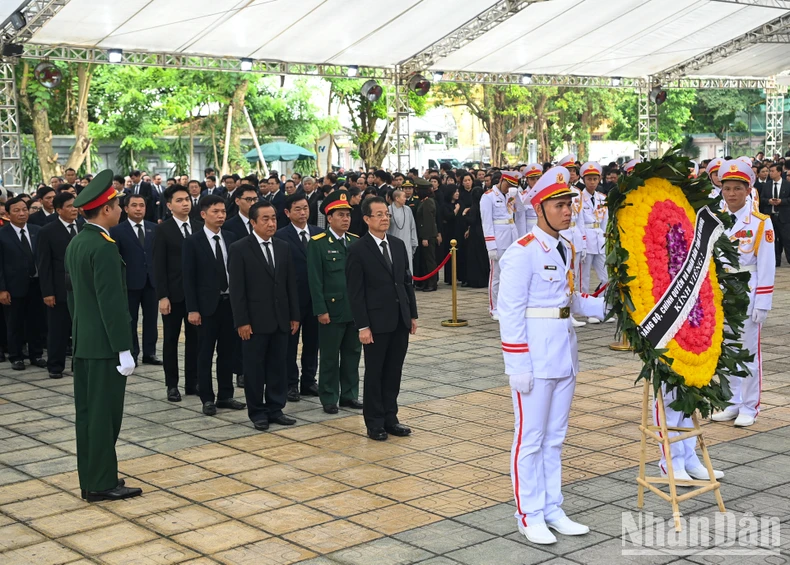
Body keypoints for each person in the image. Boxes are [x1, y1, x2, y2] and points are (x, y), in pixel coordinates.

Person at [498, 166, 606, 545]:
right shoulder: (521, 253)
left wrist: (605, 306)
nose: (568, 211)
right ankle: (528, 513)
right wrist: (517, 365)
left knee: (555, 438)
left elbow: (569, 300)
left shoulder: (566, 247)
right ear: (540, 208)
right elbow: (509, 313)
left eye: (569, 205)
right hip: (534, 357)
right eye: (560, 205)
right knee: (530, 437)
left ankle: (552, 507)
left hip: (564, 352)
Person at [64, 170, 142, 502]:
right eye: (118, 205)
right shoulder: (104, 247)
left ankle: (96, 475)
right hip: (105, 348)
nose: (121, 210)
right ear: (106, 209)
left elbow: (74, 298)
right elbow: (112, 304)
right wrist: (123, 348)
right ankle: (100, 483)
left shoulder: (78, 242)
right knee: (104, 417)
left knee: (89, 415)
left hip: (86, 342)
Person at [346, 196, 418, 441]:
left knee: (393, 372)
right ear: (366, 219)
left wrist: (412, 314)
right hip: (375, 324)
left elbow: (406, 282)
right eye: (378, 214)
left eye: (386, 214)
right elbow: (355, 293)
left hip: (399, 319)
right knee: (375, 373)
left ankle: (391, 417)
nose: (384, 218)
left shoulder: (397, 245)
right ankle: (374, 422)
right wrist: (363, 325)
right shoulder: (357, 249)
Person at [711, 160, 775, 428]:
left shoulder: (760, 222)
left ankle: (750, 406)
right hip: (720, 293)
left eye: (738, 188)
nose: (732, 193)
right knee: (726, 351)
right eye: (727, 188)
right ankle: (732, 401)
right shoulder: (716, 219)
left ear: (748, 189)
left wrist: (763, 301)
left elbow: (766, 264)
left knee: (748, 353)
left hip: (747, 293)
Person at [229, 201, 299, 431]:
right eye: (265, 219)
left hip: (281, 319)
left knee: (278, 366)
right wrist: (242, 321)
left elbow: (290, 284)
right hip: (254, 322)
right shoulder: (239, 248)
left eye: (274, 219)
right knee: (255, 368)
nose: (271, 223)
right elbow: (237, 290)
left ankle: (275, 408)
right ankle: (257, 411)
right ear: (253, 222)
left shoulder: (283, 246)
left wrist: (294, 316)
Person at [182, 195, 246, 416]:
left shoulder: (231, 237)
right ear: (203, 214)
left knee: (228, 352)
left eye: (223, 212)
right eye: (215, 212)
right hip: (206, 307)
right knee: (205, 353)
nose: (220, 216)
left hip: (230, 304)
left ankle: (225, 395)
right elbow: (188, 278)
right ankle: (207, 397)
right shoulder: (193, 241)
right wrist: (192, 308)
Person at [306, 191, 362, 414]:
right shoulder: (318, 243)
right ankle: (329, 397)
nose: (346, 219)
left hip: (354, 311)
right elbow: (315, 279)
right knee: (329, 356)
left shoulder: (356, 242)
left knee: (352, 355)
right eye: (341, 215)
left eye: (348, 215)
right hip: (331, 310)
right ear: (329, 218)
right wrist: (320, 309)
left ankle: (349, 395)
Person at [153, 185, 203, 402]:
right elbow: (157, 266)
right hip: (173, 296)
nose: (185, 203)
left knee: (196, 341)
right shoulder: (162, 230)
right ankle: (172, 385)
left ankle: (193, 382)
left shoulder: (200, 227)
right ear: (169, 205)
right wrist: (162, 296)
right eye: (180, 200)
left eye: (187, 199)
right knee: (171, 341)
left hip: (196, 297)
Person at [275, 194, 322, 402]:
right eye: (297, 209)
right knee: (289, 344)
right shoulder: (280, 236)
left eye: (305, 208)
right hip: (291, 300)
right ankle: (290, 383)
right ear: (287, 213)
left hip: (315, 299)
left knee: (313, 342)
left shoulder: (319, 234)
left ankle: (309, 380)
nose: (302, 213)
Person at [110, 194, 160, 366]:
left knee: (151, 320)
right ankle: (132, 353)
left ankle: (150, 353)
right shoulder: (117, 230)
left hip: (151, 282)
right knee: (130, 320)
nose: (138, 209)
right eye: (134, 205)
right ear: (126, 209)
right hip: (130, 283)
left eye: (142, 205)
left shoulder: (154, 228)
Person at [36, 192, 80, 379]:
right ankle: (55, 365)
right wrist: (47, 292)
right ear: (59, 209)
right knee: (58, 330)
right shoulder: (47, 231)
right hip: (59, 289)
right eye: (69, 206)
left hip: (82, 289)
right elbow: (44, 265)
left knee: (80, 330)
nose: (74, 209)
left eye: (75, 205)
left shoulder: (85, 227)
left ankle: (79, 364)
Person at [0, 196, 46, 370]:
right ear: (7, 214)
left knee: (36, 322)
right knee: (14, 323)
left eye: (24, 210)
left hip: (36, 285)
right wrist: (2, 289)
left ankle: (36, 355)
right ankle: (16, 356)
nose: (22, 213)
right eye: (16, 210)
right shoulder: (2, 234)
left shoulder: (37, 230)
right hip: (13, 287)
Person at [481, 171, 524, 320]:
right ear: (502, 180)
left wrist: (517, 196)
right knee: (496, 275)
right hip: (498, 240)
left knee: (511, 275)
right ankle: (494, 307)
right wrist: (491, 245)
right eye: (508, 184)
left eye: (513, 186)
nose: (509, 188)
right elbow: (486, 223)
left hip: (511, 238)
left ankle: (507, 304)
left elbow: (520, 212)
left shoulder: (510, 195)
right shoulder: (488, 196)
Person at [579, 162, 610, 323]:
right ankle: (587, 312)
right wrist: (582, 244)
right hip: (586, 240)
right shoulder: (578, 198)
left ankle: (601, 307)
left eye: (595, 179)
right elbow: (579, 222)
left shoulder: (602, 198)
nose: (592, 182)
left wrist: (606, 241)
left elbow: (605, 221)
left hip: (599, 240)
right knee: (584, 280)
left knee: (606, 278)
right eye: (589, 179)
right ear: (583, 180)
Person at [759, 162, 790, 268]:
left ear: (779, 172)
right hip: (770, 216)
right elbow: (761, 199)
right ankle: (776, 261)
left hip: (784, 217)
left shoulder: (787, 184)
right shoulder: (767, 185)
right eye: (769, 171)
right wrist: (769, 201)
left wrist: (782, 201)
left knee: (786, 239)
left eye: (772, 171)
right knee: (773, 240)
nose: (770, 173)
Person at [388, 188, 419, 276]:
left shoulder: (408, 209)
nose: (405, 199)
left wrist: (414, 241)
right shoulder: (388, 210)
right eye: (403, 197)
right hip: (393, 242)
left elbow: (412, 227)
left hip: (407, 243)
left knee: (408, 266)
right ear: (397, 198)